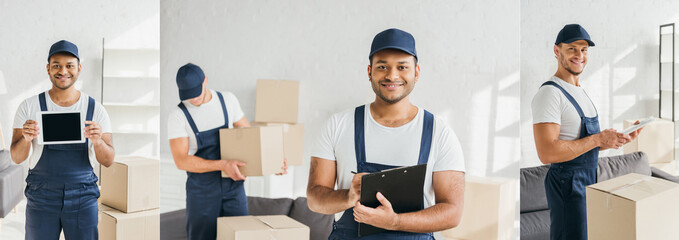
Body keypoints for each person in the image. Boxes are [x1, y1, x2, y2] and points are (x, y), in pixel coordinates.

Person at [307, 28, 465, 240]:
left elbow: (453, 213)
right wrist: (348, 196)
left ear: (416, 73)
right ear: (369, 71)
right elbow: (315, 199)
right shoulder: (337, 125)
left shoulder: (440, 133)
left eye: (402, 67)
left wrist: (395, 222)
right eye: (382, 66)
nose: (392, 75)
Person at [531, 24, 643, 240]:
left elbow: (585, 144)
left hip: (590, 179)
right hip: (567, 184)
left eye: (584, 50)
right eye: (572, 48)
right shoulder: (549, 94)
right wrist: (597, 138)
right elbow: (546, 152)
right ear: (557, 51)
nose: (579, 55)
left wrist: (614, 140)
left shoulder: (581, 92)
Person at [167, 63, 287, 240]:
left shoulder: (227, 101)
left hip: (233, 187)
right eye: (188, 95)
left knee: (241, 235)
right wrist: (223, 164)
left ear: (205, 81)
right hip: (201, 191)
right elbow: (181, 161)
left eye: (196, 92)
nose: (193, 99)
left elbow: (252, 138)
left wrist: (272, 162)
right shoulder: (178, 116)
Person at [10, 40, 115, 240]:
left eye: (69, 66)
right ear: (48, 68)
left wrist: (98, 141)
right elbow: (16, 158)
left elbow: (109, 160)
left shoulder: (95, 109)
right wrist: (25, 138)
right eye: (56, 65)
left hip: (83, 197)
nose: (63, 71)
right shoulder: (29, 107)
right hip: (41, 197)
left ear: (79, 69)